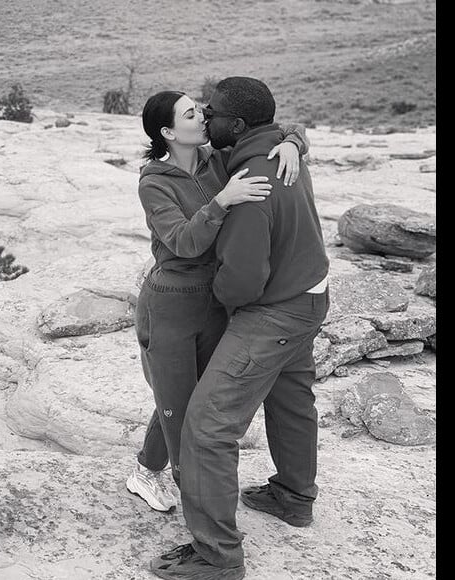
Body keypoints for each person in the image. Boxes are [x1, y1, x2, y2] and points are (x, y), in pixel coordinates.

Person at [149, 77, 329, 580]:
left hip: (272, 313)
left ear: (240, 125)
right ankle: (293, 497)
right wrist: (294, 140)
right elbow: (285, 129)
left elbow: (243, 279)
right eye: (197, 111)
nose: (206, 116)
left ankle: (216, 558)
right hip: (310, 296)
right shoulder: (272, 151)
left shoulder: (250, 179)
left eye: (214, 111)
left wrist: (225, 304)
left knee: (206, 429)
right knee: (292, 397)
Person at [126, 89, 310, 514]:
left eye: (202, 109)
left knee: (194, 399)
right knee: (178, 406)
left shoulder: (217, 158)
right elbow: (183, 242)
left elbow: (287, 128)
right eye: (192, 113)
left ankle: (143, 470)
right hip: (170, 304)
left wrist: (290, 144)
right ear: (170, 131)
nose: (204, 115)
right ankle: (193, 511)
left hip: (215, 302)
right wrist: (222, 200)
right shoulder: (154, 183)